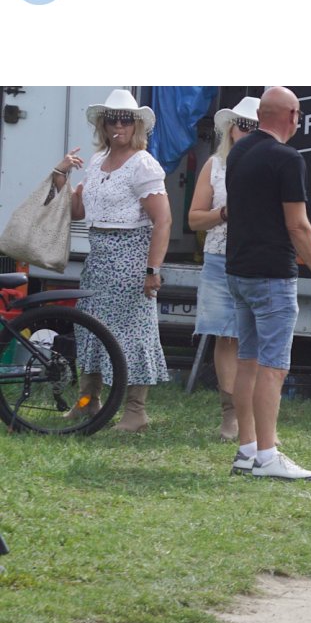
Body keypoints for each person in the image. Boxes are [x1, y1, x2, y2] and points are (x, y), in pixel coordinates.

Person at [225, 86, 311, 479]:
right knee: (273, 367)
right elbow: (299, 225)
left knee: (248, 361)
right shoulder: (288, 159)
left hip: (239, 270)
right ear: (293, 115)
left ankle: (246, 449)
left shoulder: (239, 150)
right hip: (272, 275)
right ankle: (267, 456)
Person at [48, 90, 172, 434]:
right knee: (89, 330)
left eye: (125, 119)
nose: (119, 124)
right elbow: (77, 211)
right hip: (99, 256)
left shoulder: (143, 163)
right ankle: (89, 402)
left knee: (132, 334)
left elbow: (163, 221)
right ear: (102, 123)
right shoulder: (98, 159)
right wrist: (61, 176)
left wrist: (152, 270)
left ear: (137, 125)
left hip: (131, 257)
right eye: (112, 118)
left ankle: (136, 413)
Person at [188, 95, 260, 441]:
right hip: (219, 258)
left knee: (256, 338)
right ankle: (230, 416)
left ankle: (253, 415)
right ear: (230, 128)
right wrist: (225, 213)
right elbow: (193, 219)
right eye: (242, 125)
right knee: (225, 335)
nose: (246, 132)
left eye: (254, 127)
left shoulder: (272, 164)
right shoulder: (215, 166)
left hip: (259, 260)